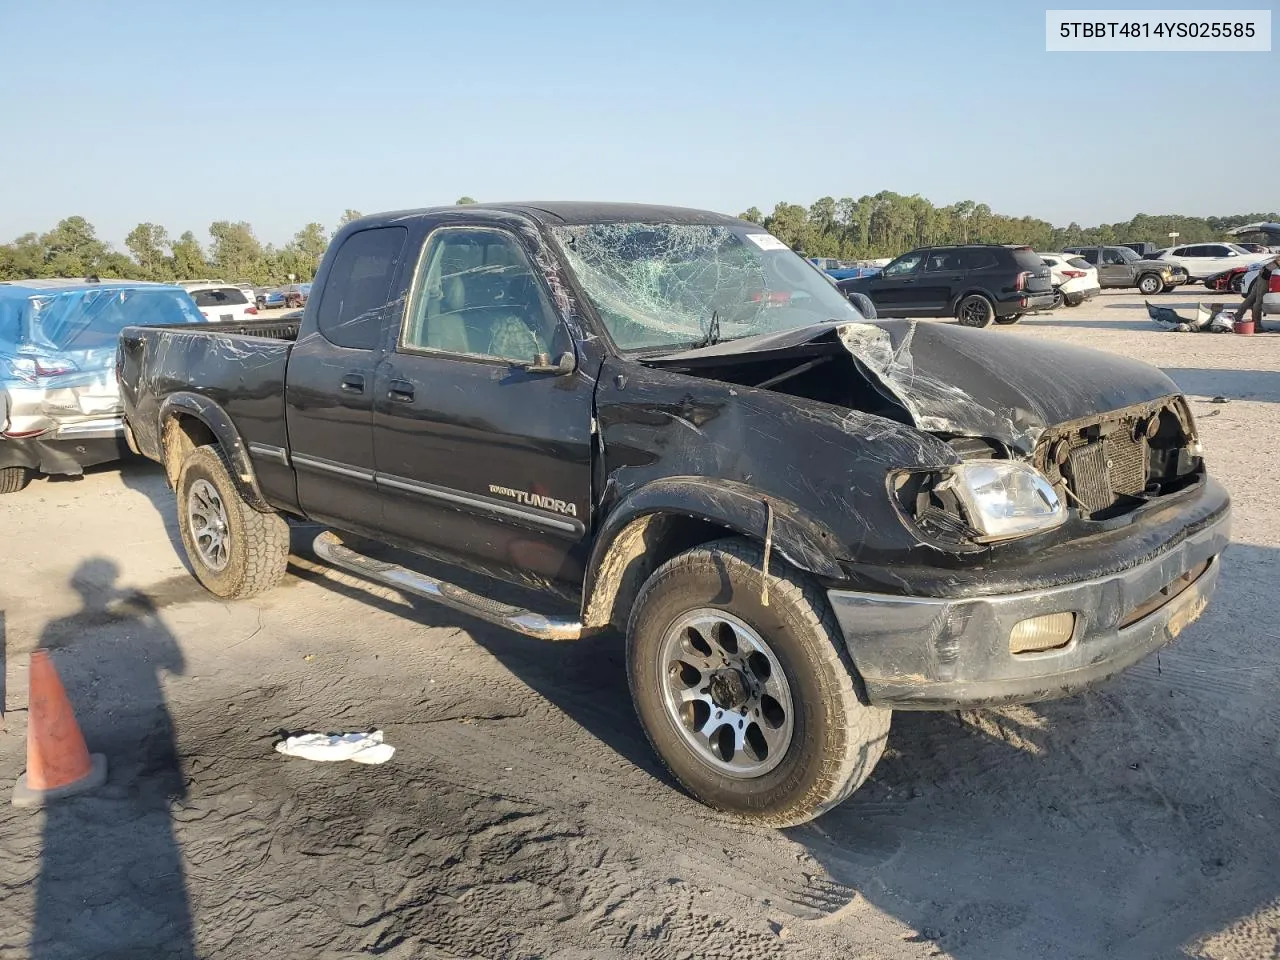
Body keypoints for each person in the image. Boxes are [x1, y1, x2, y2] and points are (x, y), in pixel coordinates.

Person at [1237, 255, 1280, 331]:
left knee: (1252, 298)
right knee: (1259, 301)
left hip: (1265, 273)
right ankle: (1256, 325)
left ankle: (1238, 316)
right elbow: (1276, 262)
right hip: (1266, 276)